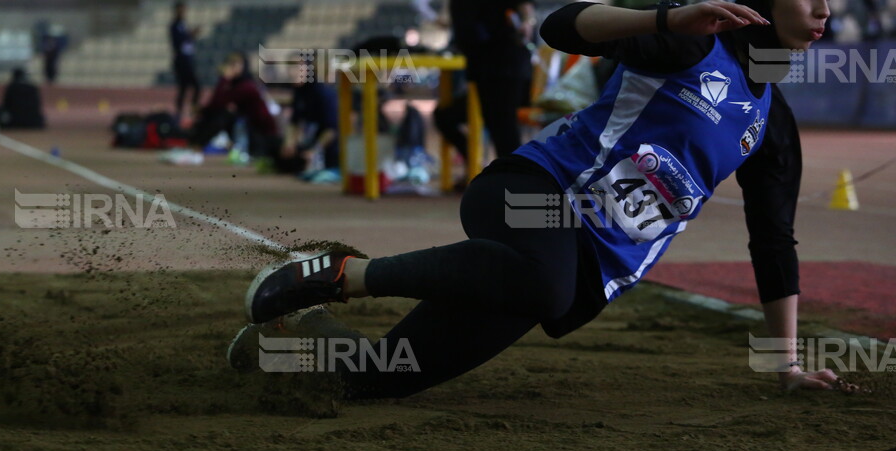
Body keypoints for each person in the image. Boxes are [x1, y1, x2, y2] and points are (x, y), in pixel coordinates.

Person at [231, 0, 858, 397]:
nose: (827, 10)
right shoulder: (693, 40)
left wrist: (786, 364)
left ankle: (284, 347)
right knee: (543, 282)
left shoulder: (772, 124)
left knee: (381, 376)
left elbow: (773, 240)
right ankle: (337, 273)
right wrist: (663, 17)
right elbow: (558, 26)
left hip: (575, 269)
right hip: (532, 193)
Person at [433, 0, 536, 163]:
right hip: (485, 66)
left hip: (503, 64)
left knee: (504, 130)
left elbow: (525, 6)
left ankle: (515, 181)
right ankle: (495, 174)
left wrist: (526, 22)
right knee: (498, 127)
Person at [162, 52, 280, 166]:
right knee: (220, 115)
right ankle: (192, 146)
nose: (232, 68)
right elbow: (216, 104)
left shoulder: (246, 86)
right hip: (249, 129)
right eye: (230, 64)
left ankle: (195, 147)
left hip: (261, 134)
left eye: (236, 64)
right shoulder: (236, 84)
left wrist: (223, 79)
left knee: (223, 116)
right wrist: (202, 112)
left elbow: (219, 102)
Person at [278, 62, 341, 183]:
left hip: (330, 144)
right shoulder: (299, 92)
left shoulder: (323, 93)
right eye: (290, 68)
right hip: (312, 140)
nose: (292, 72)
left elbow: (332, 129)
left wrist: (315, 151)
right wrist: (289, 143)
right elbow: (294, 122)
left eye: (297, 68)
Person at [170, 1, 200, 120]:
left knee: (190, 87)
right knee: (186, 87)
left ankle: (189, 109)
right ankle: (180, 111)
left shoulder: (183, 24)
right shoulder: (174, 25)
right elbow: (179, 41)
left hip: (188, 59)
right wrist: (190, 34)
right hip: (181, 61)